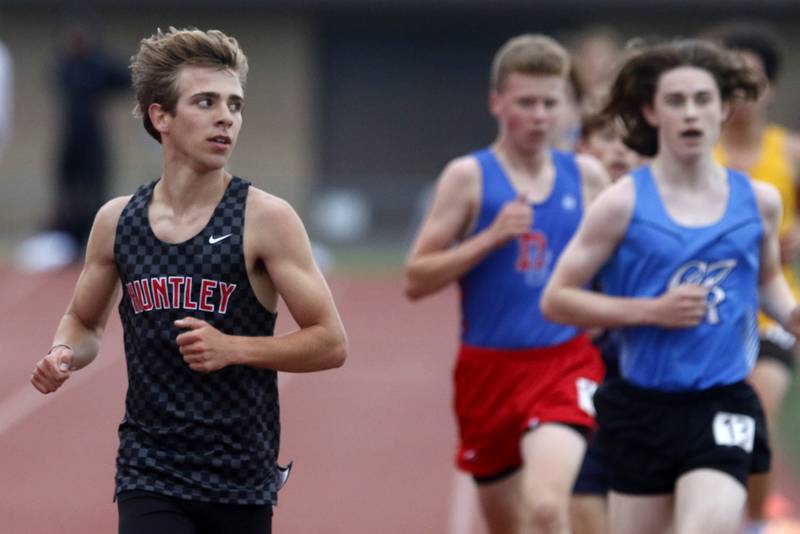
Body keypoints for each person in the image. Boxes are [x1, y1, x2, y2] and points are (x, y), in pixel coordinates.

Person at [30, 27, 348, 534]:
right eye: (206, 102)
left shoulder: (264, 218)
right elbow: (84, 322)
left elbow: (330, 343)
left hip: (241, 474)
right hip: (149, 469)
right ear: (161, 117)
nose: (227, 116)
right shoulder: (118, 221)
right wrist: (65, 353)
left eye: (235, 105)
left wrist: (234, 348)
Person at [541, 38, 800, 534]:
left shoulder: (759, 202)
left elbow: (766, 277)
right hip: (642, 407)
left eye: (703, 100)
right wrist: (649, 311)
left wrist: (789, 314)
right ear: (650, 111)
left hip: (723, 399)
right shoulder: (621, 205)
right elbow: (558, 299)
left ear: (723, 108)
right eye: (676, 101)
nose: (691, 113)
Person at [404, 34, 609, 534]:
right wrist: (488, 239)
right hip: (487, 371)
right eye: (526, 103)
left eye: (549, 103)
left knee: (545, 507)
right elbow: (415, 278)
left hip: (564, 361)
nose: (540, 116)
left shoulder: (587, 177)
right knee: (510, 525)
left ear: (564, 107)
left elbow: (622, 263)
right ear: (498, 103)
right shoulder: (469, 177)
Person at [710, 24, 800, 533]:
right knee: (710, 428)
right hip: (705, 316)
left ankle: (757, 520)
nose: (742, 95)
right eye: (731, 82)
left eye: (753, 81)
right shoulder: (697, 152)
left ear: (770, 87)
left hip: (771, 311)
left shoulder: (788, 153)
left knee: (756, 417)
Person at [569, 110, 644, 534]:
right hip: (582, 380)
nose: (619, 148)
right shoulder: (567, 211)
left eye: (630, 139)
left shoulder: (670, 212)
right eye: (606, 137)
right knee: (579, 505)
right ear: (582, 147)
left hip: (652, 383)